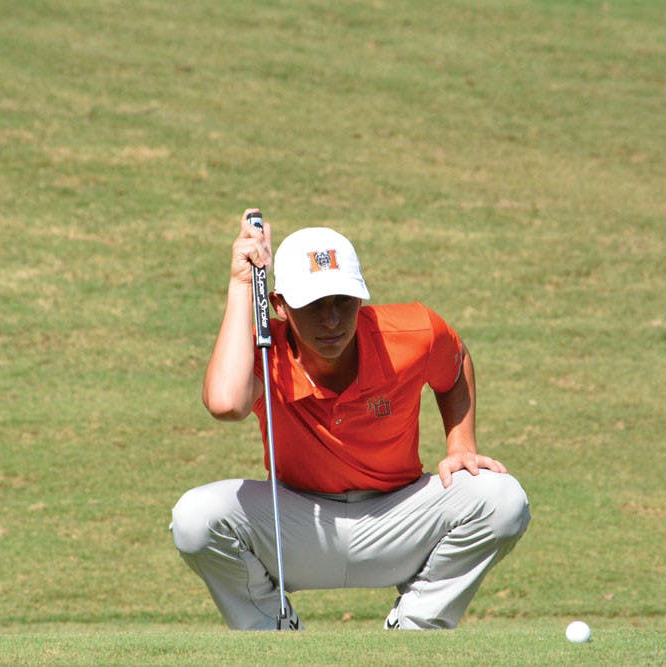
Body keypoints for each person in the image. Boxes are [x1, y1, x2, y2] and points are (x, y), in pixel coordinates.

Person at [170, 208, 530, 630]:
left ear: (361, 297)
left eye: (343, 300)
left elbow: (456, 361)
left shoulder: (413, 332)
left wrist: (461, 445)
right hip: (299, 526)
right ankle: (271, 633)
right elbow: (225, 404)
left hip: (399, 517)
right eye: (313, 304)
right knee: (195, 517)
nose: (332, 320)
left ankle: (418, 625)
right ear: (280, 305)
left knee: (503, 499)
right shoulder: (265, 351)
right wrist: (240, 285)